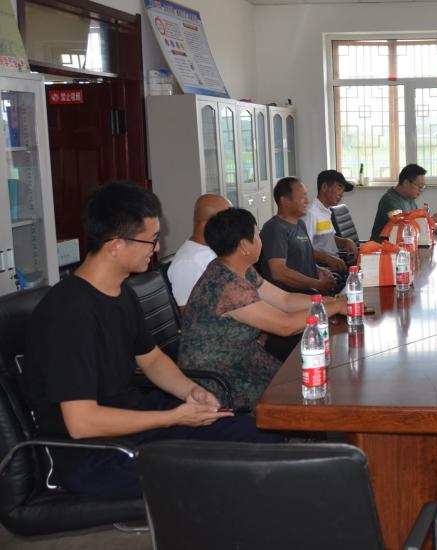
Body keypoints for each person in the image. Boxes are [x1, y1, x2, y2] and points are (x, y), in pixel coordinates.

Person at [22, 181, 281, 500]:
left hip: (138, 424)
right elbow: (82, 423)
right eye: (151, 240)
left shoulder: (121, 293)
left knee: (258, 435)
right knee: (231, 467)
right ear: (115, 245)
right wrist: (173, 417)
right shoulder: (69, 313)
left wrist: (191, 391)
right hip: (94, 456)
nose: (156, 249)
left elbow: (152, 359)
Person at [179, 208, 347, 407]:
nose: (261, 240)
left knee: (305, 380)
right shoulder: (228, 287)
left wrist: (331, 301)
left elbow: (285, 300)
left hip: (244, 357)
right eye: (257, 235)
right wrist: (334, 306)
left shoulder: (237, 268)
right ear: (244, 245)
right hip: (219, 376)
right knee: (302, 392)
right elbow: (285, 325)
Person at [259, 177, 339, 295]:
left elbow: (301, 261)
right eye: (302, 196)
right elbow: (279, 273)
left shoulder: (300, 224)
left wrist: (320, 271)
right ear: (285, 201)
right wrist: (317, 284)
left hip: (311, 292)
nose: (307, 201)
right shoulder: (275, 228)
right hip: (291, 297)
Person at [166, 193, 231, 310]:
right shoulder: (189, 263)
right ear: (207, 224)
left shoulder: (214, 250)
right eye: (227, 221)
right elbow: (189, 314)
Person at [370, 163, 437, 240]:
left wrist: (430, 222)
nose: (421, 190)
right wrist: (433, 219)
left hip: (405, 245)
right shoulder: (390, 201)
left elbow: (416, 222)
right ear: (406, 183)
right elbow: (402, 226)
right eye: (419, 186)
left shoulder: (410, 199)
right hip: (383, 247)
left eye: (423, 187)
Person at [302, 169, 358, 270]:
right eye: (339, 187)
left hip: (334, 264)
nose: (342, 194)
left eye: (343, 190)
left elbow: (328, 239)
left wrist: (345, 242)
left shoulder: (325, 211)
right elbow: (304, 249)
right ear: (324, 187)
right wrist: (328, 259)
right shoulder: (311, 214)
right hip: (322, 269)